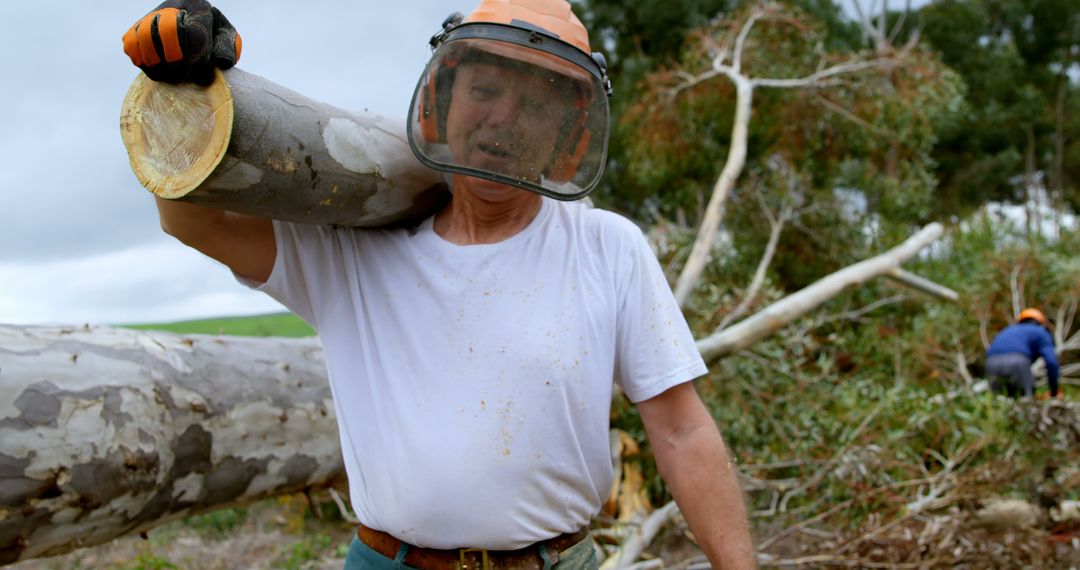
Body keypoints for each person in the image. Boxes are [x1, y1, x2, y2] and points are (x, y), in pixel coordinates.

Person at [122, 1, 756, 568]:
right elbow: (191, 217)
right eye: (484, 88)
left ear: (569, 131)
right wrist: (186, 82)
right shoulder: (355, 251)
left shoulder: (606, 249)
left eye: (536, 103)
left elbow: (682, 430)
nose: (503, 119)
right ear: (444, 98)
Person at [985, 308, 1060, 399]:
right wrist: (1054, 390)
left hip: (991, 363)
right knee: (1026, 401)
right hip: (1017, 362)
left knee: (997, 400)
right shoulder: (1041, 332)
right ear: (1040, 322)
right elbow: (1051, 361)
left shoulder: (1007, 330)